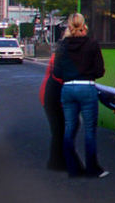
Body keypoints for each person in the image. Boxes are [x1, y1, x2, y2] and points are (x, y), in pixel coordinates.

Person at [54, 13, 107, 178]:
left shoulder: (62, 46)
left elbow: (57, 72)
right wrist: (88, 73)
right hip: (86, 87)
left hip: (68, 88)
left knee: (69, 128)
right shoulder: (92, 44)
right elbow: (100, 71)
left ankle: (73, 168)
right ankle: (92, 169)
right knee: (89, 130)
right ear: (84, 25)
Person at [41, 48, 78, 172]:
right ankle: (58, 162)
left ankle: (58, 161)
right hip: (54, 98)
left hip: (53, 96)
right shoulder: (62, 57)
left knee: (60, 131)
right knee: (60, 130)